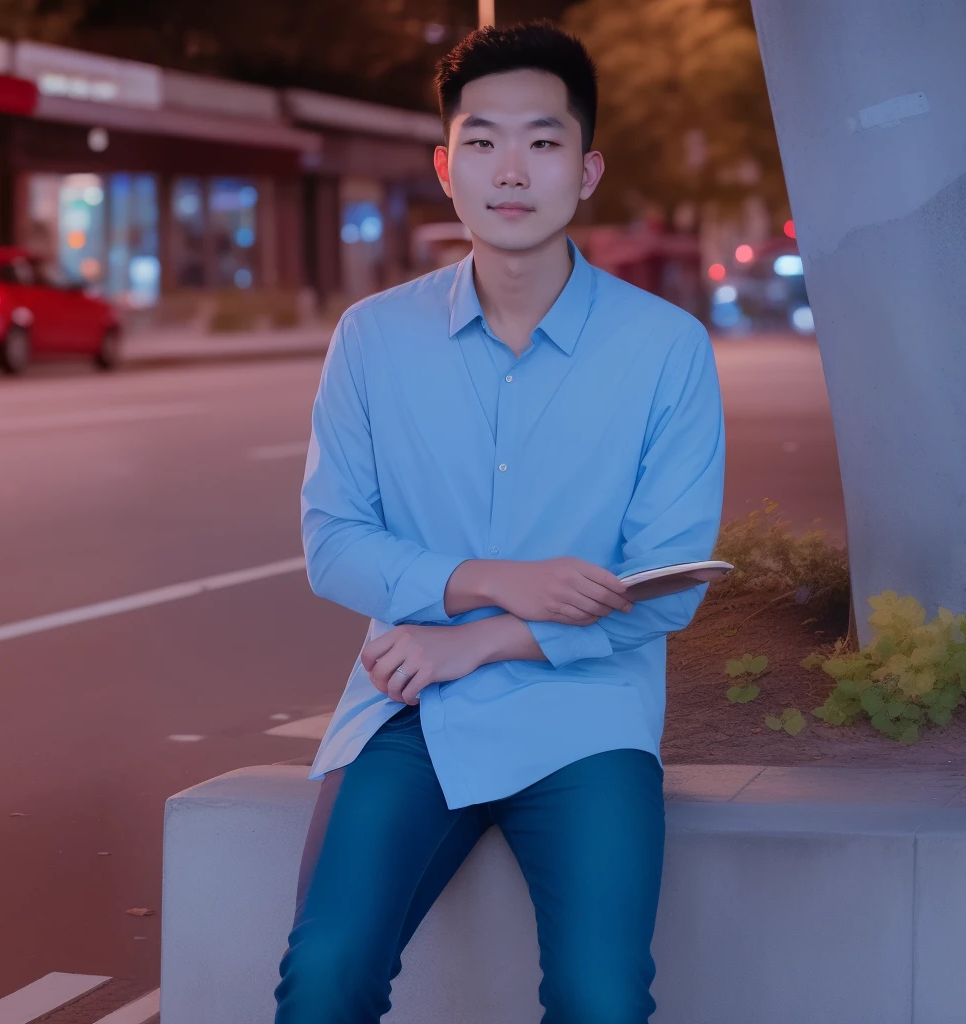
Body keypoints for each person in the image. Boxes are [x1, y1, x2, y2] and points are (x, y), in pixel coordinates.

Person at [277, 21, 725, 1024]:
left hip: (587, 719)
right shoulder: (374, 338)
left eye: (543, 140)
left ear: (587, 167)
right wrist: (488, 577)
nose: (510, 169)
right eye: (481, 142)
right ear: (446, 167)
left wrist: (479, 639)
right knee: (324, 976)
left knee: (602, 999)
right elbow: (334, 542)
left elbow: (671, 583)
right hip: (410, 713)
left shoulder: (666, 350)